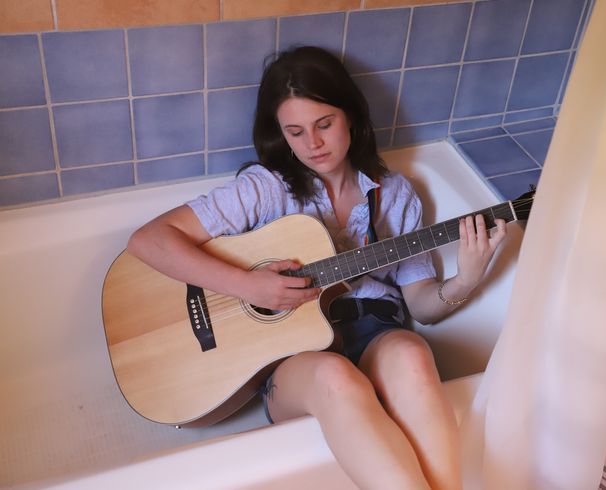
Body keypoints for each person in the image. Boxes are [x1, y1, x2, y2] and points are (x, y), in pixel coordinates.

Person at [127, 46, 506, 490]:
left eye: (324, 124)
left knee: (412, 355)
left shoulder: (396, 194)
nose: (313, 144)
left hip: (374, 332)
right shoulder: (266, 189)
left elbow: (421, 305)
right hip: (294, 356)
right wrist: (248, 286)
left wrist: (466, 278)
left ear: (350, 116)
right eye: (295, 131)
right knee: (334, 377)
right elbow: (148, 241)